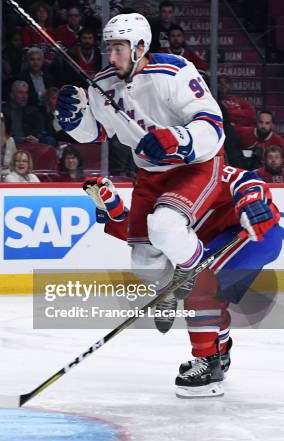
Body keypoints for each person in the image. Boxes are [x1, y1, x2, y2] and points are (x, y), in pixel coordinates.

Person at [56, 13, 225, 331]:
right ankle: (166, 292)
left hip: (195, 164)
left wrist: (178, 138)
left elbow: (213, 125)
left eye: (119, 48)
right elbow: (98, 133)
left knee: (164, 227)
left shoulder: (174, 70)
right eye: (110, 48)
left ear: (140, 46)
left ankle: (196, 270)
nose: (112, 56)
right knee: (143, 262)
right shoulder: (102, 84)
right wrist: (74, 121)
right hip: (151, 173)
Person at [83, 165, 282, 397]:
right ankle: (219, 352)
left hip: (256, 233)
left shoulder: (202, 173)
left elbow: (246, 180)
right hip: (223, 240)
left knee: (201, 285)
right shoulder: (160, 196)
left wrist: (253, 203)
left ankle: (208, 366)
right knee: (208, 293)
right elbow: (144, 235)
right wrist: (113, 211)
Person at [3, 80, 46, 145]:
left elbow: (40, 131)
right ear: (12, 95)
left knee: (49, 140)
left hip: (30, 142)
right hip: (11, 143)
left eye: (26, 93)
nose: (24, 96)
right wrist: (22, 139)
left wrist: (37, 138)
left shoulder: (33, 111)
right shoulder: (4, 111)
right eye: (20, 92)